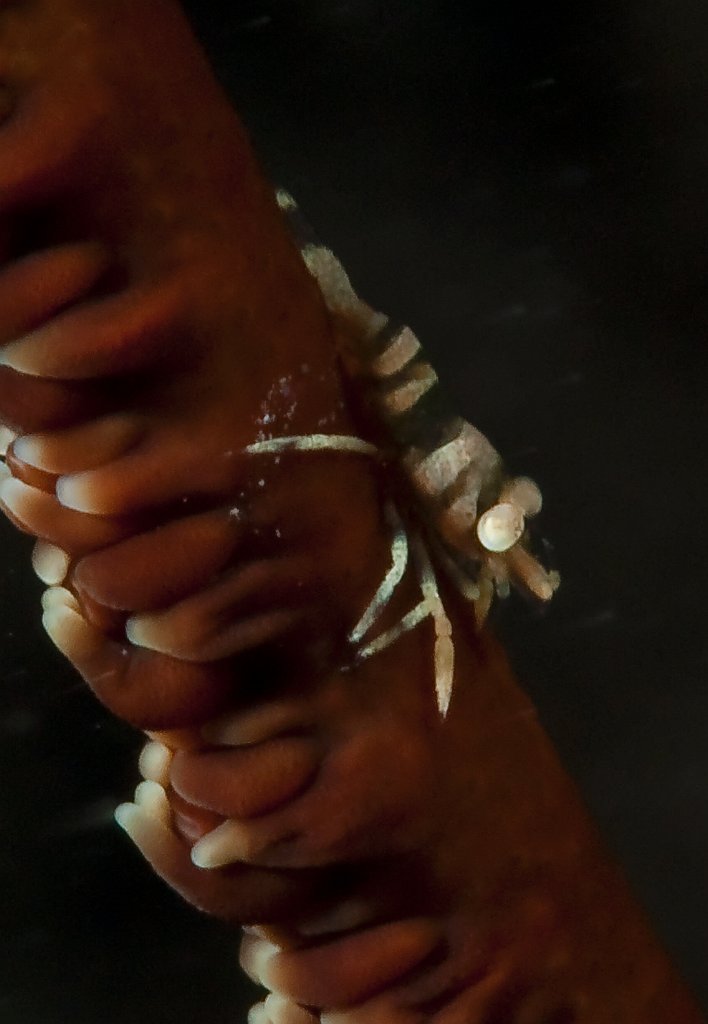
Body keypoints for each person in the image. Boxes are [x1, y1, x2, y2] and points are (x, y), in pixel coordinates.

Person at [0, 1, 702, 1019]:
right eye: (503, 524)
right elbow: (375, 467)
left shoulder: (465, 512)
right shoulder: (398, 438)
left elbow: (436, 525)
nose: (504, 544)